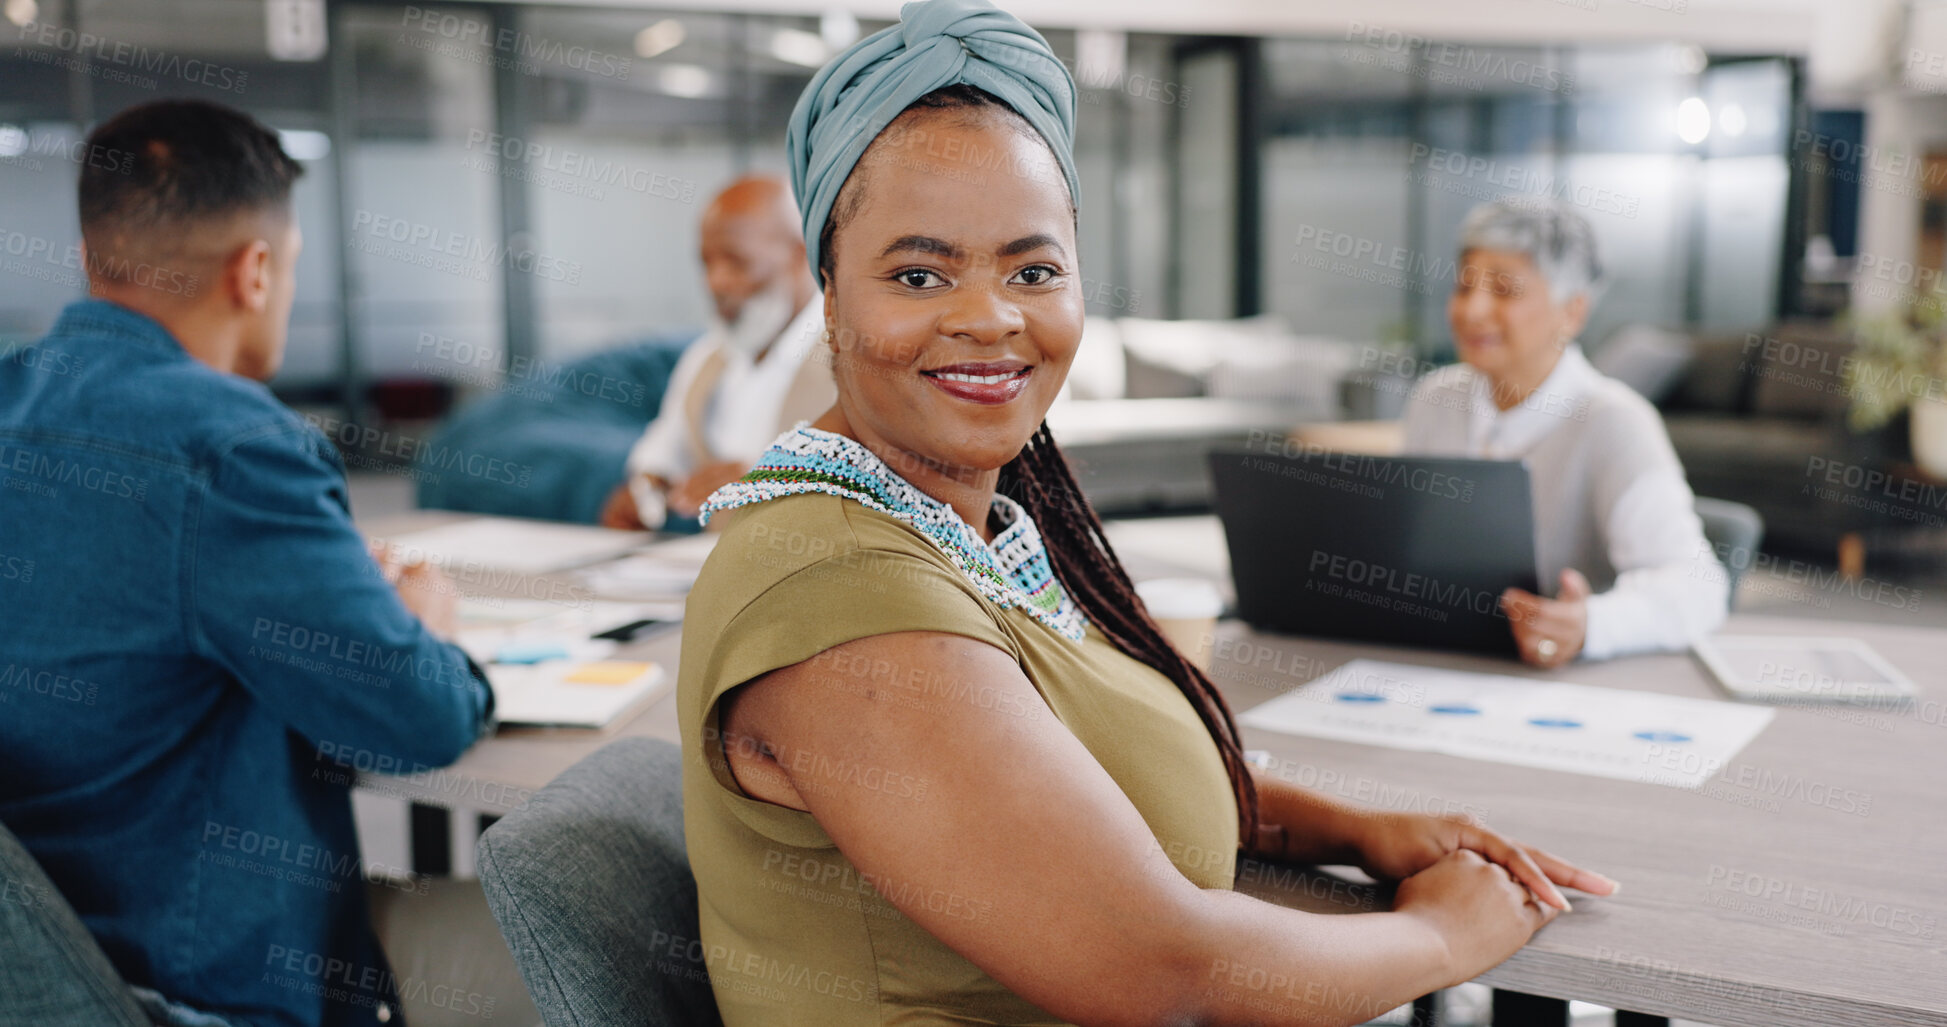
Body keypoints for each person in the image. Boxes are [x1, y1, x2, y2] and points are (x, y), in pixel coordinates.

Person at [675, 3, 1616, 1024]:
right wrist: (1444, 936)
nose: (990, 317)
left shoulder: (977, 524)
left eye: (1033, 270)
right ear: (828, 290)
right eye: (918, 273)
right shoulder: (841, 586)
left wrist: (1345, 829)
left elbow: (1086, 775)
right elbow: (1167, 977)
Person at [0, 99, 493, 1027]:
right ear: (256, 271)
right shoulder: (232, 448)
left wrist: (320, 585)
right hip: (182, 983)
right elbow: (416, 721)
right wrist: (424, 622)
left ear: (90, 257)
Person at [1401, 199, 1729, 667]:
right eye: (1464, 286)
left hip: (1562, 689)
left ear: (1571, 313)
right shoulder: (1435, 399)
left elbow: (1698, 588)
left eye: (1504, 290)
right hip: (1436, 665)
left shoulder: (1614, 421)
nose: (1472, 310)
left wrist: (1590, 624)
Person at [600, 175, 832, 530]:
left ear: (800, 255)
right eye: (707, 263)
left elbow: (886, 482)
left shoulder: (851, 358)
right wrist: (644, 490)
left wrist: (769, 485)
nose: (716, 282)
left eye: (738, 263)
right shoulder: (707, 358)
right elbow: (664, 452)